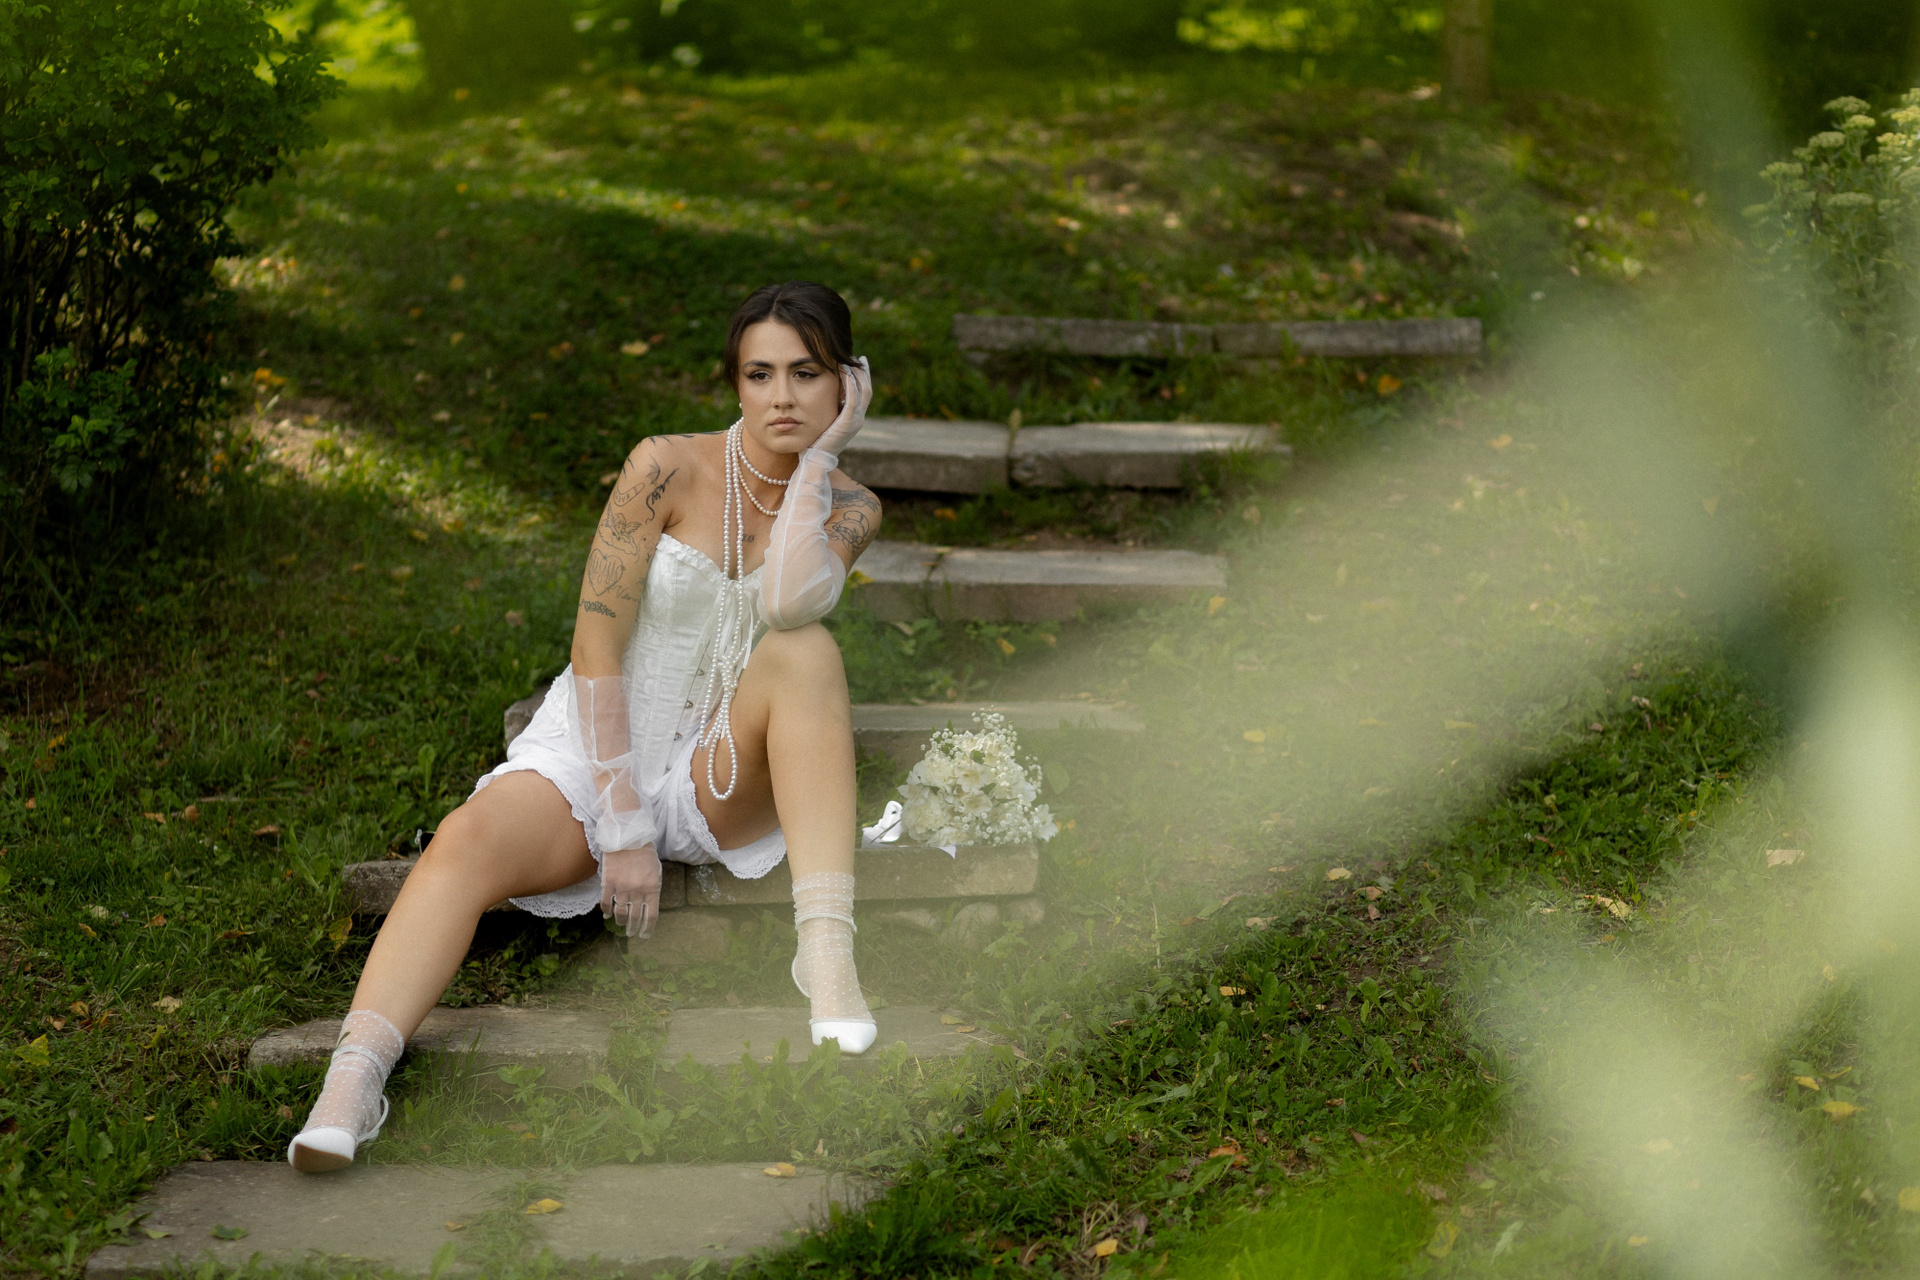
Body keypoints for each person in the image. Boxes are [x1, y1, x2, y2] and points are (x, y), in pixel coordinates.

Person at [287, 282, 885, 1173]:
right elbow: (595, 641)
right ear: (735, 382)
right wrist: (622, 818)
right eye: (759, 374)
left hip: (719, 767)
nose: (783, 397)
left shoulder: (851, 505)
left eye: (809, 373)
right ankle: (354, 1079)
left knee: (807, 651)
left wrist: (820, 461)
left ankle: (826, 954)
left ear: (847, 382)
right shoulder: (664, 467)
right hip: (594, 756)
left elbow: (790, 602)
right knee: (464, 838)